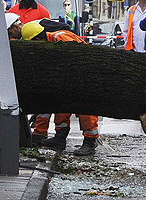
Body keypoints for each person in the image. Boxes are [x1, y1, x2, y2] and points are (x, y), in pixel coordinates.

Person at [20, 21, 99, 156]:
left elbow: (78, 59)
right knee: (61, 108)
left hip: (84, 76)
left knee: (85, 110)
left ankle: (90, 142)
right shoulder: (50, 43)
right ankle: (59, 138)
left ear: (38, 39)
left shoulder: (60, 38)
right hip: (69, 78)